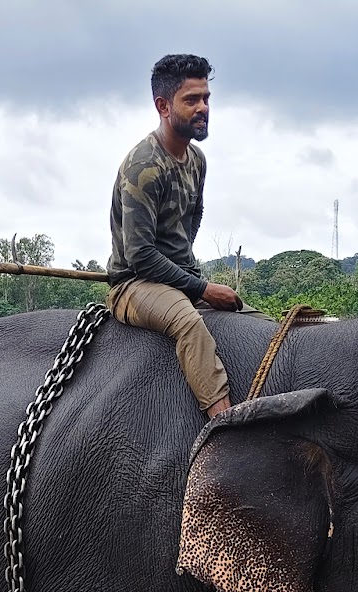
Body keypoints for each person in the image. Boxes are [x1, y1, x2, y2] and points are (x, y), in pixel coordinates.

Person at [107, 53, 241, 421]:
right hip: (135, 284)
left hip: (178, 277)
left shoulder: (197, 160)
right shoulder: (143, 166)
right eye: (191, 100)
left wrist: (189, 275)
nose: (203, 108)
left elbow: (193, 219)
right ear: (163, 106)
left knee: (250, 316)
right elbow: (140, 256)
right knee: (189, 324)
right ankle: (224, 427)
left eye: (206, 98)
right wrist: (202, 288)